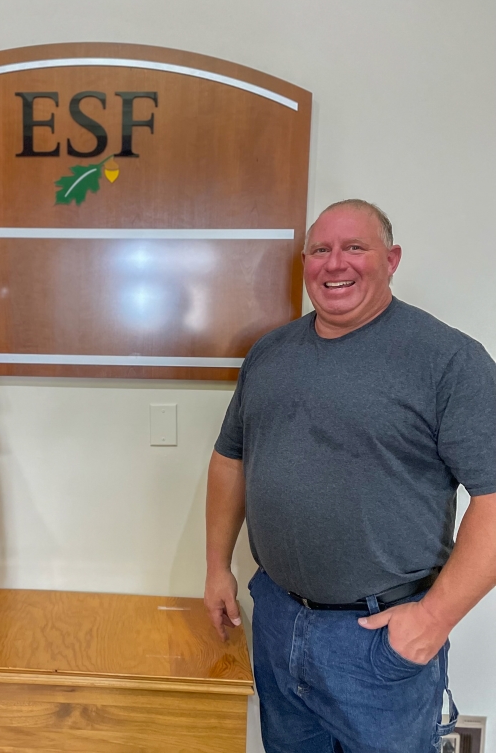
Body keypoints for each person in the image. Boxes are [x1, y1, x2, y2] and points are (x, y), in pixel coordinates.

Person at [204, 199, 496, 753]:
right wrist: (218, 567)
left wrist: (433, 620)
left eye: (354, 248)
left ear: (392, 259)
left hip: (379, 641)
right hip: (278, 620)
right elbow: (230, 458)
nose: (334, 264)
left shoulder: (448, 361)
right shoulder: (270, 353)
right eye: (321, 250)